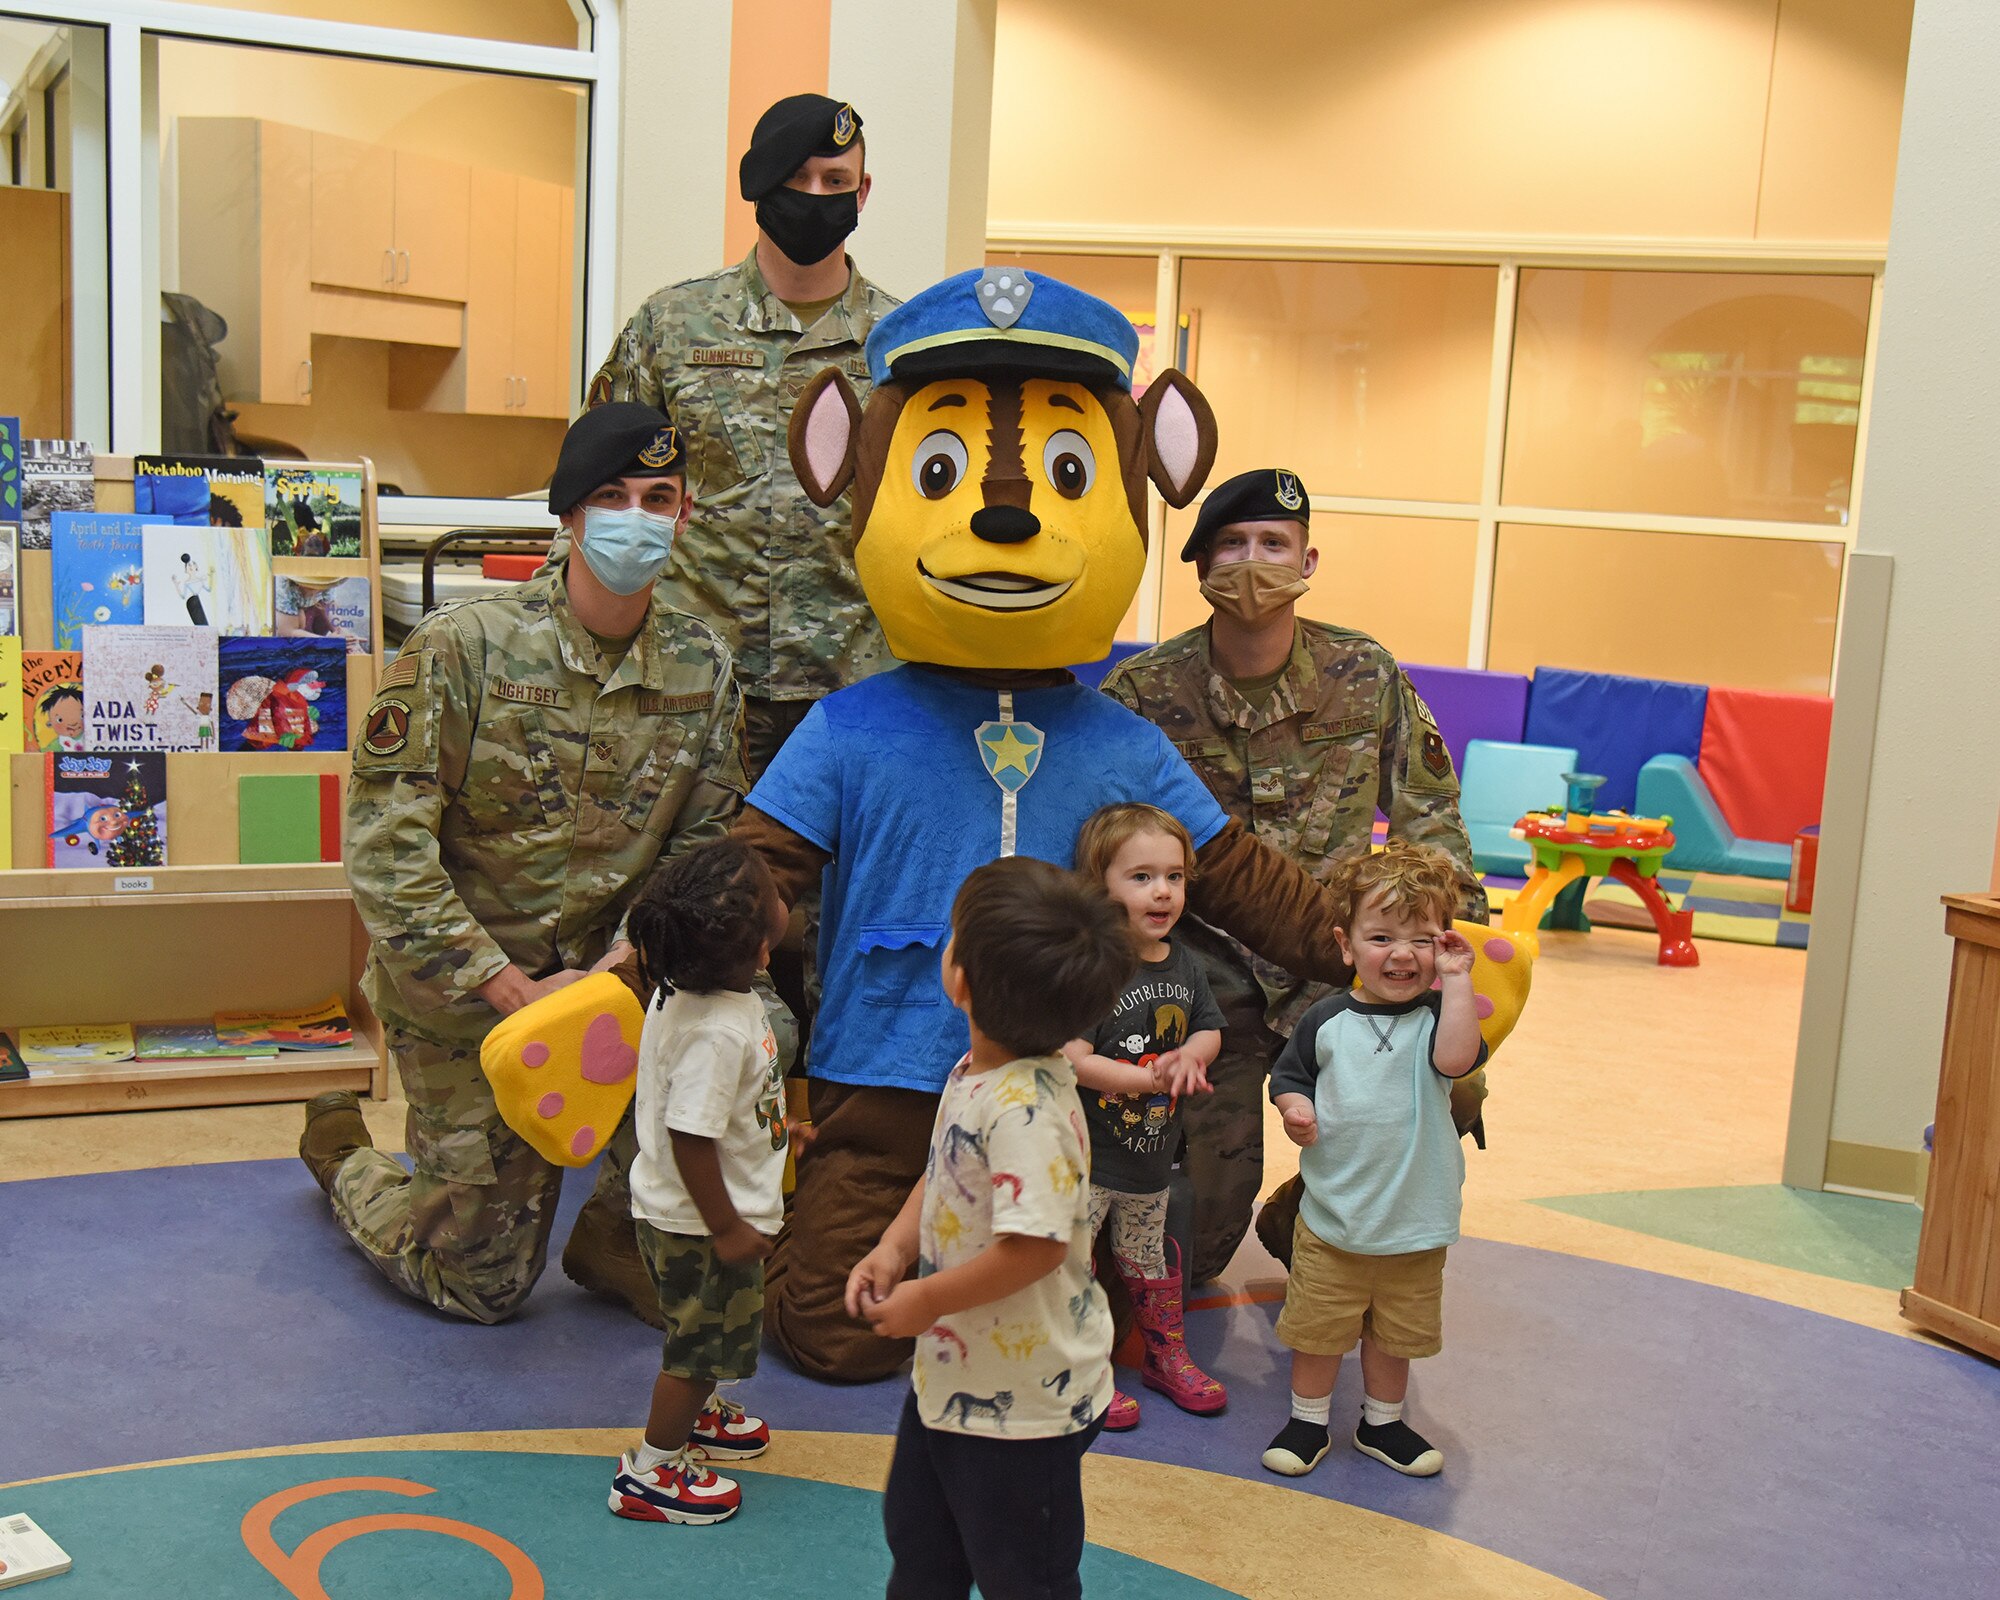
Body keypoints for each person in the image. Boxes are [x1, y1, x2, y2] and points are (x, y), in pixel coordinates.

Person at [736, 268, 1362, 1384]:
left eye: (1069, 475)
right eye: (939, 472)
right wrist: (637, 966)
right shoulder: (849, 726)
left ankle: (988, 1281)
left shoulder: (1118, 737)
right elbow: (753, 874)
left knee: (1124, 1297)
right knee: (836, 1339)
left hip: (1074, 1083)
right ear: (847, 468)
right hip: (888, 1074)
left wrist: (1367, 953)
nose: (1006, 513)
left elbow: (1234, 876)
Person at [301, 403, 757, 1326]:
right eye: (612, 496)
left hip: (614, 985)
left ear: (685, 514)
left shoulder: (702, 667)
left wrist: (620, 972)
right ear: (570, 514)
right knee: (478, 1284)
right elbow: (387, 850)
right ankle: (343, 1152)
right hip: (467, 993)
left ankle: (618, 1233)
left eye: (657, 497)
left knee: (761, 1027)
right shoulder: (460, 649)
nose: (637, 516)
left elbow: (699, 853)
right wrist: (514, 992)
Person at [1101, 467, 1489, 1283]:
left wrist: (1452, 952)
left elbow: (1430, 818)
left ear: (1308, 562)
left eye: (1273, 544)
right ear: (1200, 565)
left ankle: (1305, 1221)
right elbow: (1101, 850)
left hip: (1345, 971)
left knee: (1446, 1092)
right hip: (1208, 982)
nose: (1253, 563)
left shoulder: (1366, 674)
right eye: (1231, 545)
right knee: (1198, 1249)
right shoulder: (1141, 695)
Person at [583, 92, 899, 780]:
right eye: (797, 179)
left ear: (862, 191)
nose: (816, 197)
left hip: (854, 683)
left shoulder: (903, 347)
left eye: (836, 182)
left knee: (832, 886)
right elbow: (591, 492)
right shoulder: (673, 327)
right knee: (690, 882)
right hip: (692, 678)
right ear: (759, 184)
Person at [845, 857, 1129, 1600]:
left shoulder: (1024, 1111)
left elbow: (1035, 1248)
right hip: (954, 1373)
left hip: (1026, 1405)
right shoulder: (978, 1070)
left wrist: (928, 1299)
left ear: (960, 979)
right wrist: (896, 1245)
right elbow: (945, 1172)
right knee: (920, 1543)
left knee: (1023, 1575)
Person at [1259, 841, 1485, 1481]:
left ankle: (1381, 1422)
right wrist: (1295, 1108)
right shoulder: (1326, 1019)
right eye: (1381, 936)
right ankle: (1308, 1418)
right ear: (1345, 944)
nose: (1402, 954)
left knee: (1396, 1333)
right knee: (1319, 1328)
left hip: (1414, 1223)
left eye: (1421, 940)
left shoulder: (1442, 1016)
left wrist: (1461, 981)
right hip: (1335, 1217)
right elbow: (1289, 1075)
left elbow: (1457, 1062)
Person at [609, 840, 792, 1527]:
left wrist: (775, 1129)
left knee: (709, 1338)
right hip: (699, 1227)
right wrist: (727, 1227)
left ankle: (701, 1418)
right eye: (773, 890)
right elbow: (690, 1133)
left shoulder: (685, 989)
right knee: (696, 1351)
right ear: (762, 949)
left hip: (679, 1211)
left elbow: (708, 1106)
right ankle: (652, 1470)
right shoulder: (718, 1028)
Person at [1063, 803, 1225, 1430]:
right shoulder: (1092, 964)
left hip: (1151, 1159)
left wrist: (1190, 1055)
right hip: (1087, 1162)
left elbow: (1210, 1029)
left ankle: (1165, 1357)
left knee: (1148, 1260)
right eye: (1141, 877)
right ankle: (1080, 1373)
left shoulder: (1184, 963)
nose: (1162, 891)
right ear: (1099, 885)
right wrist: (1145, 1078)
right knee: (1071, 1267)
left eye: (1175, 877)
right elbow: (1072, 1056)